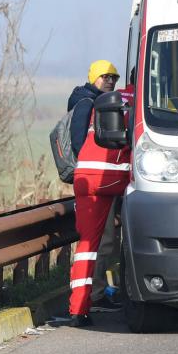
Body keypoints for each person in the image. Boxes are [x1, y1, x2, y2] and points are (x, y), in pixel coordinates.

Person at [59, 60, 131, 326]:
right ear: (93, 77)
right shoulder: (89, 104)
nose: (110, 80)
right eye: (105, 76)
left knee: (91, 244)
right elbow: (80, 140)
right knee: (103, 242)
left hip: (92, 179)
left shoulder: (102, 102)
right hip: (100, 178)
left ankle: (80, 306)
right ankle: (96, 296)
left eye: (113, 77)